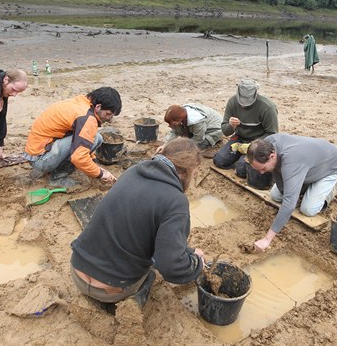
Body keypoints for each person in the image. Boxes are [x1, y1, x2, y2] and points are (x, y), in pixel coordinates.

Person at [70, 138, 205, 311]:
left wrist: (189, 251)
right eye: (195, 174)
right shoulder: (176, 201)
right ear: (186, 171)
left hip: (78, 269)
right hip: (109, 289)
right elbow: (171, 268)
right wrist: (197, 263)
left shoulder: (133, 172)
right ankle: (129, 303)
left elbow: (142, 224)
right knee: (150, 274)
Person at [246, 134, 337, 251]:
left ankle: (333, 188)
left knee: (308, 209)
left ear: (272, 156)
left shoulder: (291, 162)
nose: (261, 173)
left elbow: (289, 205)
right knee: (275, 195)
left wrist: (267, 239)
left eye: (263, 168)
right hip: (306, 165)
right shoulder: (267, 143)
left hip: (329, 166)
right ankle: (309, 186)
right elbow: (278, 173)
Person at [23, 87, 122, 185]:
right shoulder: (86, 118)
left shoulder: (82, 101)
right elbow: (78, 157)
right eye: (108, 114)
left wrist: (91, 160)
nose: (109, 119)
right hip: (41, 160)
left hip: (35, 152)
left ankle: (55, 167)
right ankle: (57, 178)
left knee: (97, 138)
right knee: (95, 139)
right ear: (98, 107)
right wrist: (101, 174)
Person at [213, 79, 278, 177]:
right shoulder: (232, 102)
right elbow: (225, 132)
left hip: (258, 142)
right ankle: (240, 159)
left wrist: (252, 146)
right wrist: (231, 125)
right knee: (219, 161)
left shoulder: (267, 107)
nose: (243, 105)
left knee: (241, 170)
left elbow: (272, 134)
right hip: (239, 139)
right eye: (241, 101)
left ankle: (242, 162)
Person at [155, 103, 223, 158]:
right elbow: (174, 131)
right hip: (199, 128)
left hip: (214, 129)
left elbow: (199, 138)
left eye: (171, 123)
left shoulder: (197, 121)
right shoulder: (181, 114)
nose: (169, 126)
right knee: (180, 131)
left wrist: (185, 146)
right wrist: (165, 145)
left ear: (180, 119)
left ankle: (209, 146)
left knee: (191, 149)